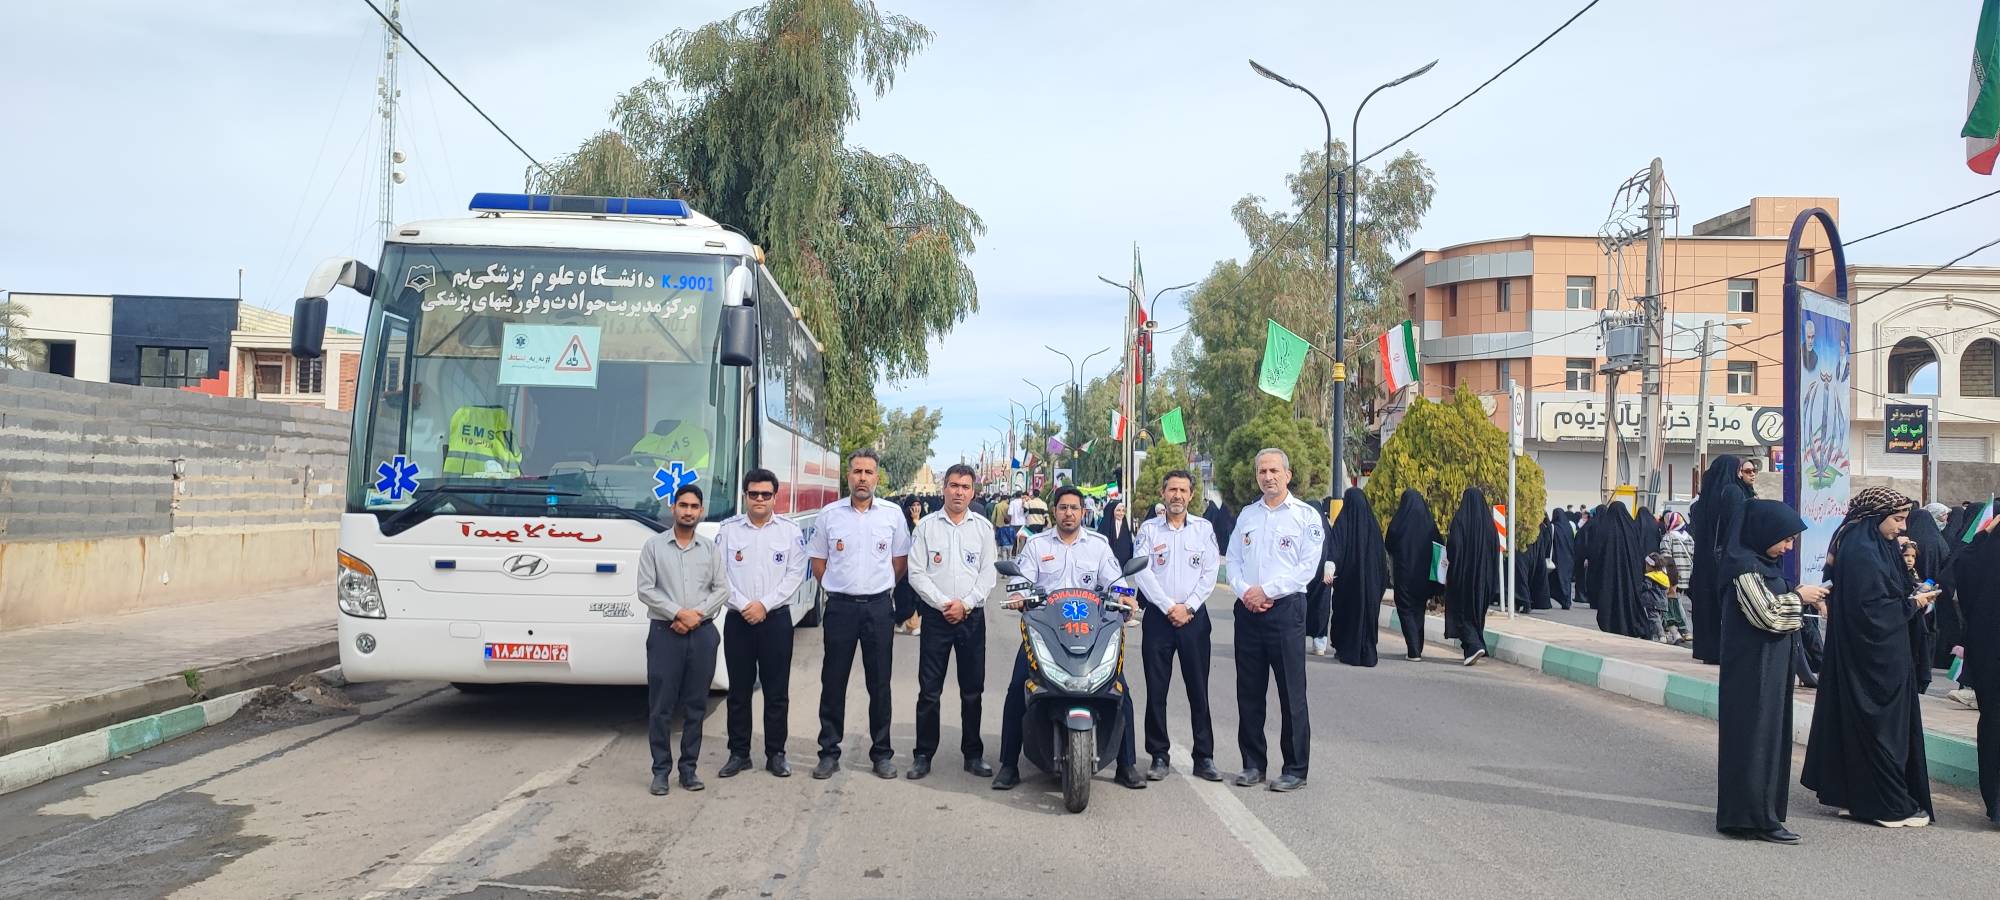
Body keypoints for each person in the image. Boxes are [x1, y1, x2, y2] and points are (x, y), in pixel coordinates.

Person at [993, 486, 1147, 790]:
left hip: (1091, 632)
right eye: (1063, 507)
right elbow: (1021, 579)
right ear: (1054, 511)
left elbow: (1115, 580)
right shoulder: (1037, 545)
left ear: (1083, 512)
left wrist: (1125, 597)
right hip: (1047, 632)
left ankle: (1126, 765)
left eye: (1074, 508)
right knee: (1017, 688)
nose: (1068, 513)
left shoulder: (1099, 546)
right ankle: (1008, 765)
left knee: (1119, 690)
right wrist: (1020, 596)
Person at [1801, 489, 1937, 828]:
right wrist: (1912, 604)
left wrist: (1910, 595)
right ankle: (1885, 804)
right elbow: (1870, 610)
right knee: (1882, 728)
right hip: (1873, 660)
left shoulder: (1872, 544)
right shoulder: (1862, 550)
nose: (1902, 527)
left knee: (1863, 724)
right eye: (1897, 519)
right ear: (1876, 517)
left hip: (1872, 654)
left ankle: (1857, 797)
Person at [1715, 498, 1825, 844]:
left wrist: (1797, 593)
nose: (1788, 547)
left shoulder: (1762, 565)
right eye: (1786, 539)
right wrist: (1800, 598)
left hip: (1768, 670)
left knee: (1767, 739)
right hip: (1752, 673)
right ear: (1764, 532)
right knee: (1754, 741)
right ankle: (1751, 819)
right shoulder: (1743, 567)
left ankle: (1762, 813)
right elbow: (1768, 615)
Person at [807, 449, 911, 781]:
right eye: (857, 471)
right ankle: (828, 752)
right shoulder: (830, 515)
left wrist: (877, 589)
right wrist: (839, 587)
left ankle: (882, 754)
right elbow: (818, 562)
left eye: (868, 472)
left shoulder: (892, 515)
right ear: (848, 476)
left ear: (877, 477)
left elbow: (899, 563)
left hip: (879, 609)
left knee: (879, 684)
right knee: (833, 681)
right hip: (840, 608)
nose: (862, 478)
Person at [1226, 449, 1317, 791]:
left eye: (1274, 471)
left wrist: (1266, 591)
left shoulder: (1305, 516)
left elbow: (1306, 569)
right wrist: (1246, 592)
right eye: (1262, 471)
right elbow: (1233, 560)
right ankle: (1253, 764)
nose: (1268, 477)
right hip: (1249, 611)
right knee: (1249, 692)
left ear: (1288, 475)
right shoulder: (1248, 515)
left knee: (1291, 693)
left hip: (1286, 611)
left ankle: (1295, 768)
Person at [905, 464, 998, 781]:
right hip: (937, 617)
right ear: (944, 488)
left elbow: (988, 574)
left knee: (972, 690)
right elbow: (916, 573)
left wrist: (966, 604)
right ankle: (923, 754)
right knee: (929, 690)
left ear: (973, 493)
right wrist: (944, 604)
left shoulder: (983, 529)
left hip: (971, 619)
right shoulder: (926, 528)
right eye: (954, 485)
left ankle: (973, 754)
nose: (959, 492)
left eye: (965, 487)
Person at [715, 469, 809, 780]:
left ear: (774, 498)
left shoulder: (789, 532)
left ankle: (776, 754)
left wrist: (764, 605)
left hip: (776, 620)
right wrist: (745, 605)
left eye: (765, 494)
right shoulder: (728, 531)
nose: (759, 499)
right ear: (745, 496)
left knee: (776, 692)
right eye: (753, 494)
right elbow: (719, 575)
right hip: (739, 620)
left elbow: (795, 574)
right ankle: (739, 753)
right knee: (738, 692)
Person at [635, 484, 728, 796]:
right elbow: (645, 589)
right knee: (661, 706)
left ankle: (689, 770)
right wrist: (677, 613)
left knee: (696, 705)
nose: (688, 511)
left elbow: (722, 589)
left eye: (694, 507)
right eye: (683, 505)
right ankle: (661, 771)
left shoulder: (710, 549)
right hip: (665, 634)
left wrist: (695, 616)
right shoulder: (653, 547)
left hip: (702, 635)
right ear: (673, 508)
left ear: (701, 511)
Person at [1133, 469, 1223, 782]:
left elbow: (1210, 572)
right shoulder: (1149, 530)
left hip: (1194, 619)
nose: (1177, 496)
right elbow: (1142, 571)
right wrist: (1168, 606)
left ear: (1191, 495)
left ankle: (1204, 757)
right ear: (1163, 493)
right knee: (1156, 690)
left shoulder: (1203, 529)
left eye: (1183, 490)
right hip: (1159, 619)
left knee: (1198, 690)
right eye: (1172, 490)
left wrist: (1189, 607)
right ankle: (1159, 755)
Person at [1950, 513, 2000, 825]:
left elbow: (1960, 568)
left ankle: (1996, 803)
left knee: (1994, 723)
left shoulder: (1983, 553)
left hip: (1989, 651)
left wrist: (1984, 535)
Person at [1690, 456, 1756, 665]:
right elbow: (1736, 528)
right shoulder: (1733, 493)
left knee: (1707, 606)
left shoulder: (1703, 500)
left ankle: (1708, 650)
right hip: (1725, 560)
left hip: (1703, 562)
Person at [1326, 487, 1386, 666]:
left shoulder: (1343, 522)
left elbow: (1335, 549)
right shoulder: (1373, 527)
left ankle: (1345, 648)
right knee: (1368, 614)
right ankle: (1367, 651)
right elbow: (1381, 559)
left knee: (1346, 613)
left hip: (1348, 583)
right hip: (1372, 584)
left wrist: (1330, 569)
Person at [1444, 488, 1500, 665]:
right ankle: (1476, 644)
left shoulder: (1460, 521)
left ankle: (1474, 646)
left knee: (1462, 611)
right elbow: (1495, 551)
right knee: (1477, 611)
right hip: (1485, 579)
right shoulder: (1490, 525)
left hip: (1464, 575)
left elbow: (1454, 546)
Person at [1386, 489, 1441, 661]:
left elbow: (1388, 543)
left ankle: (1413, 648)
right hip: (1424, 577)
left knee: (1405, 609)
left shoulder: (1399, 522)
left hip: (1404, 575)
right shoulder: (1428, 523)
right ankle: (1418, 646)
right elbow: (1439, 544)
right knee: (1418, 609)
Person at [1588, 503, 1653, 640]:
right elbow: (1638, 552)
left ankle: (1611, 624)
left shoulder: (1604, 529)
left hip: (1608, 576)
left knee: (1610, 598)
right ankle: (1631, 625)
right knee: (1629, 599)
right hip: (1629, 576)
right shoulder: (1631, 528)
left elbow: (1596, 553)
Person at [1304, 499, 1337, 657]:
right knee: (1321, 609)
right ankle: (1319, 645)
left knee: (1300, 609)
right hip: (1323, 578)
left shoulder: (1304, 525)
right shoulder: (1327, 529)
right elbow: (1333, 550)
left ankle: (1297, 641)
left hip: (1304, 577)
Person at [893, 496, 929, 636]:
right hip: (905, 567)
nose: (916, 508)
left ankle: (909, 622)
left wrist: (917, 521)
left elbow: (926, 539)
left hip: (920, 566)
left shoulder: (926, 522)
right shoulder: (902, 524)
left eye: (918, 505)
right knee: (905, 596)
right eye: (913, 505)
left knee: (918, 595)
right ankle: (908, 623)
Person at [1659, 511, 1695, 645]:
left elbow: (1666, 559)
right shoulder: (1689, 538)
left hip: (1673, 576)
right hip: (1686, 576)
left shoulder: (1668, 537)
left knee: (1674, 603)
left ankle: (1683, 630)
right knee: (1677, 601)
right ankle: (1678, 630)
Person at [1548, 508, 1577, 610]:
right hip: (1569, 558)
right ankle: (1566, 600)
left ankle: (1562, 600)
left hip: (1558, 558)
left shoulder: (1554, 527)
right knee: (1566, 580)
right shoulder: (1568, 527)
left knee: (1557, 579)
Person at [1006, 491, 1029, 555]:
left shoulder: (1012, 502)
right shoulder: (1024, 502)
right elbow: (1027, 513)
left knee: (1014, 539)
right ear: (1021, 496)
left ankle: (1013, 553)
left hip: (1014, 523)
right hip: (1023, 523)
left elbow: (1010, 513)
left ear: (1015, 496)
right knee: (1022, 540)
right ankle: (1021, 553)